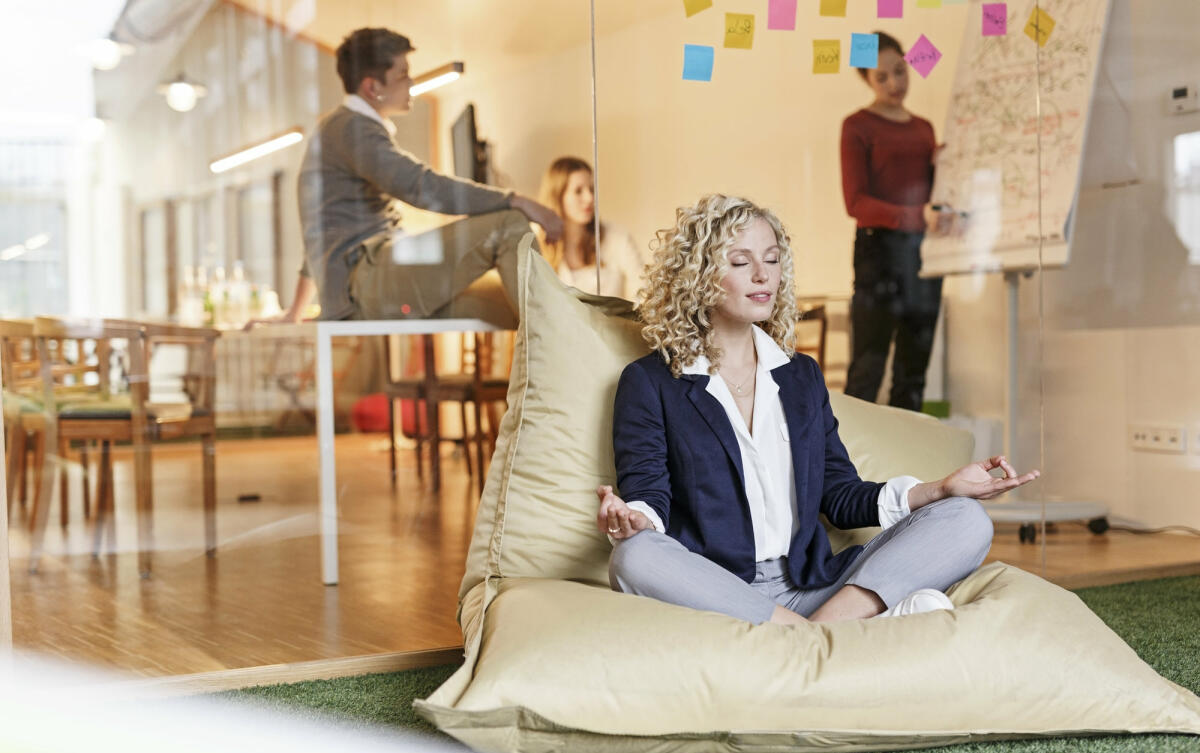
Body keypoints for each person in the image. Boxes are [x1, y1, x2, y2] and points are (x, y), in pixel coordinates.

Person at [596, 194, 1037, 625]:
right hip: (719, 591)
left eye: (771, 259)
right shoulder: (650, 382)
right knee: (635, 556)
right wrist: (635, 519)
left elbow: (840, 495)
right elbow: (649, 492)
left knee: (965, 519)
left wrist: (940, 489)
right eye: (740, 262)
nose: (762, 275)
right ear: (697, 276)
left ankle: (815, 631)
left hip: (814, 587)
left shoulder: (799, 376)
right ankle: (842, 633)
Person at [260, 28, 562, 329]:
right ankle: (565, 365)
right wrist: (515, 200)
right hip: (368, 282)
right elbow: (420, 185)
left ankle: (558, 359)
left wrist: (294, 313)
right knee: (509, 225)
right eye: (403, 74)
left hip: (367, 287)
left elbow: (317, 238)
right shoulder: (352, 129)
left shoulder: (339, 131)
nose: (412, 83)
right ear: (372, 87)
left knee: (515, 306)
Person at [840, 31, 956, 411]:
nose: (894, 83)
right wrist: (913, 217)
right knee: (867, 368)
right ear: (867, 81)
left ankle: (910, 470)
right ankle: (849, 468)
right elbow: (856, 203)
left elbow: (931, 194)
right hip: (879, 253)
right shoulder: (857, 125)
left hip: (923, 253)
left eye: (899, 71)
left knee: (914, 370)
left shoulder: (924, 129)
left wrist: (947, 169)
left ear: (909, 65)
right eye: (882, 77)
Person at [535, 156, 642, 301]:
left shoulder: (618, 238)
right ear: (558, 197)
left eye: (591, 189)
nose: (589, 198)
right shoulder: (539, 246)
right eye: (578, 191)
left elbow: (642, 294)